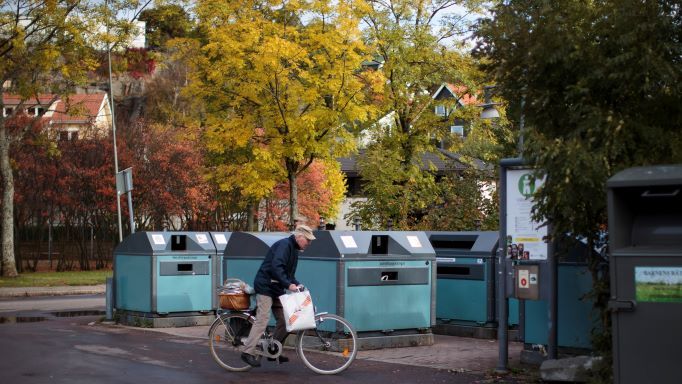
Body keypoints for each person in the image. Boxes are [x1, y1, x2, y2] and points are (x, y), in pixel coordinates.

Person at [240, 225, 316, 367]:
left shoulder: (294, 250)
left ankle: (273, 348)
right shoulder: (285, 245)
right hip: (265, 285)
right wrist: (288, 285)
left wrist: (297, 284)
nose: (309, 243)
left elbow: (289, 275)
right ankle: (247, 352)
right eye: (308, 240)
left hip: (275, 287)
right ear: (299, 237)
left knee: (286, 319)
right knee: (263, 319)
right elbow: (276, 267)